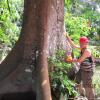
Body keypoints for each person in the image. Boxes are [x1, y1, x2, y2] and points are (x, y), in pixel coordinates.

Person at [64, 32, 95, 100]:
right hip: (82, 70)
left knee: (88, 86)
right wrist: (67, 36)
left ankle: (91, 98)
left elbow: (79, 60)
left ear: (86, 44)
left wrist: (71, 60)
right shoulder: (82, 48)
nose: (81, 44)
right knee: (76, 81)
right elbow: (73, 45)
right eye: (80, 43)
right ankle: (80, 94)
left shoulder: (87, 51)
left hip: (88, 71)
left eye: (83, 43)